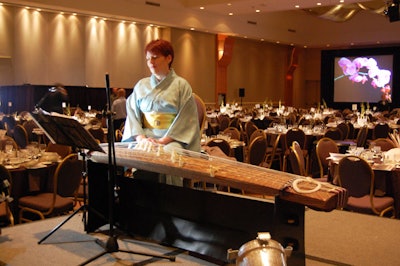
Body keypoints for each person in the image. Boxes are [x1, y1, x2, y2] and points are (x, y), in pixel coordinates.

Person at [122, 39, 200, 153]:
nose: (151, 62)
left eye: (155, 57)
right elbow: (133, 117)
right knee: (137, 152)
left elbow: (185, 120)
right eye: (148, 59)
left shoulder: (181, 85)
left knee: (169, 153)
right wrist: (142, 139)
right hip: (145, 138)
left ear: (169, 58)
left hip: (172, 140)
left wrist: (162, 141)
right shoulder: (141, 85)